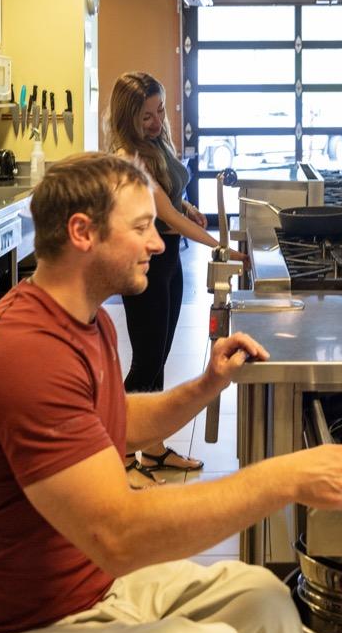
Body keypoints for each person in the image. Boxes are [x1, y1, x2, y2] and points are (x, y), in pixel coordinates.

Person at [0, 153, 342, 633]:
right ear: (82, 233)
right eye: (141, 228)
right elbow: (120, 534)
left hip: (88, 590)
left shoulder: (88, 321)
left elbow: (112, 423)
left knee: (264, 602)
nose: (158, 244)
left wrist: (206, 384)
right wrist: (285, 479)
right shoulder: (25, 352)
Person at [104, 71, 243, 488]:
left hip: (168, 263)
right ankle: (118, 453)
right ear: (128, 117)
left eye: (160, 111)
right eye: (146, 116)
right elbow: (165, 214)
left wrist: (189, 206)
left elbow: (170, 199)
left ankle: (153, 445)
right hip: (144, 264)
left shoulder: (155, 145)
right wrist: (221, 247)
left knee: (159, 357)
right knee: (146, 361)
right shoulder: (129, 156)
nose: (156, 122)